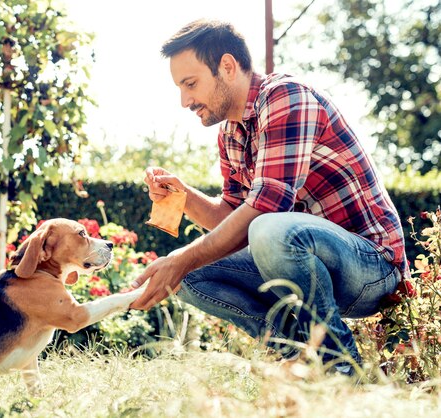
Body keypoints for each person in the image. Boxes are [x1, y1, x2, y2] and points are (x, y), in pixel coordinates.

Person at [129, 19, 409, 373]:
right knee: (188, 274)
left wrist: (182, 257)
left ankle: (341, 369)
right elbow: (233, 220)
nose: (185, 101)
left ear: (227, 67)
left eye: (190, 84)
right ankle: (301, 356)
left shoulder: (286, 98)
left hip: (372, 267)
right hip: (305, 259)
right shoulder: (231, 133)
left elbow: (265, 210)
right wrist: (185, 198)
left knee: (268, 230)